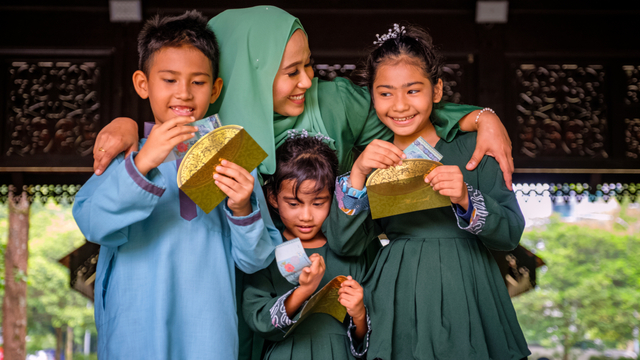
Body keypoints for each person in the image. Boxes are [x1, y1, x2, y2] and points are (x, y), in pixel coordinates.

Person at [91, 6, 515, 192]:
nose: (308, 81)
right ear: (249, 75)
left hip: (336, 273)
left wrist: (483, 116)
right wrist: (126, 123)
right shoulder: (208, 119)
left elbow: (406, 113)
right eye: (291, 71)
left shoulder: (338, 103)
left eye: (309, 65)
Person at [72, 11, 280, 360]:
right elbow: (93, 223)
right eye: (169, 80)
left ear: (215, 89)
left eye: (198, 82)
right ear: (143, 84)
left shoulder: (233, 158)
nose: (183, 93)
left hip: (209, 336)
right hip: (135, 330)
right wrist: (143, 163)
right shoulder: (127, 152)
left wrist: (242, 207)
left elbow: (256, 260)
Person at [336, 23, 530, 359]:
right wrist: (357, 175)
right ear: (371, 95)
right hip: (399, 287)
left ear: (437, 90)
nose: (399, 105)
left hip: (467, 284)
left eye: (413, 91)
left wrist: (467, 198)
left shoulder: (475, 147)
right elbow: (346, 243)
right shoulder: (370, 158)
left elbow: (510, 233)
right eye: (385, 93)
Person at [242, 134, 377, 359]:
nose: (306, 216)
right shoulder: (264, 251)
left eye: (318, 203)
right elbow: (258, 320)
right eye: (293, 204)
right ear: (273, 198)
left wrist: (359, 314)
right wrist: (304, 290)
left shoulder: (353, 250)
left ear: (333, 197)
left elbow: (371, 335)